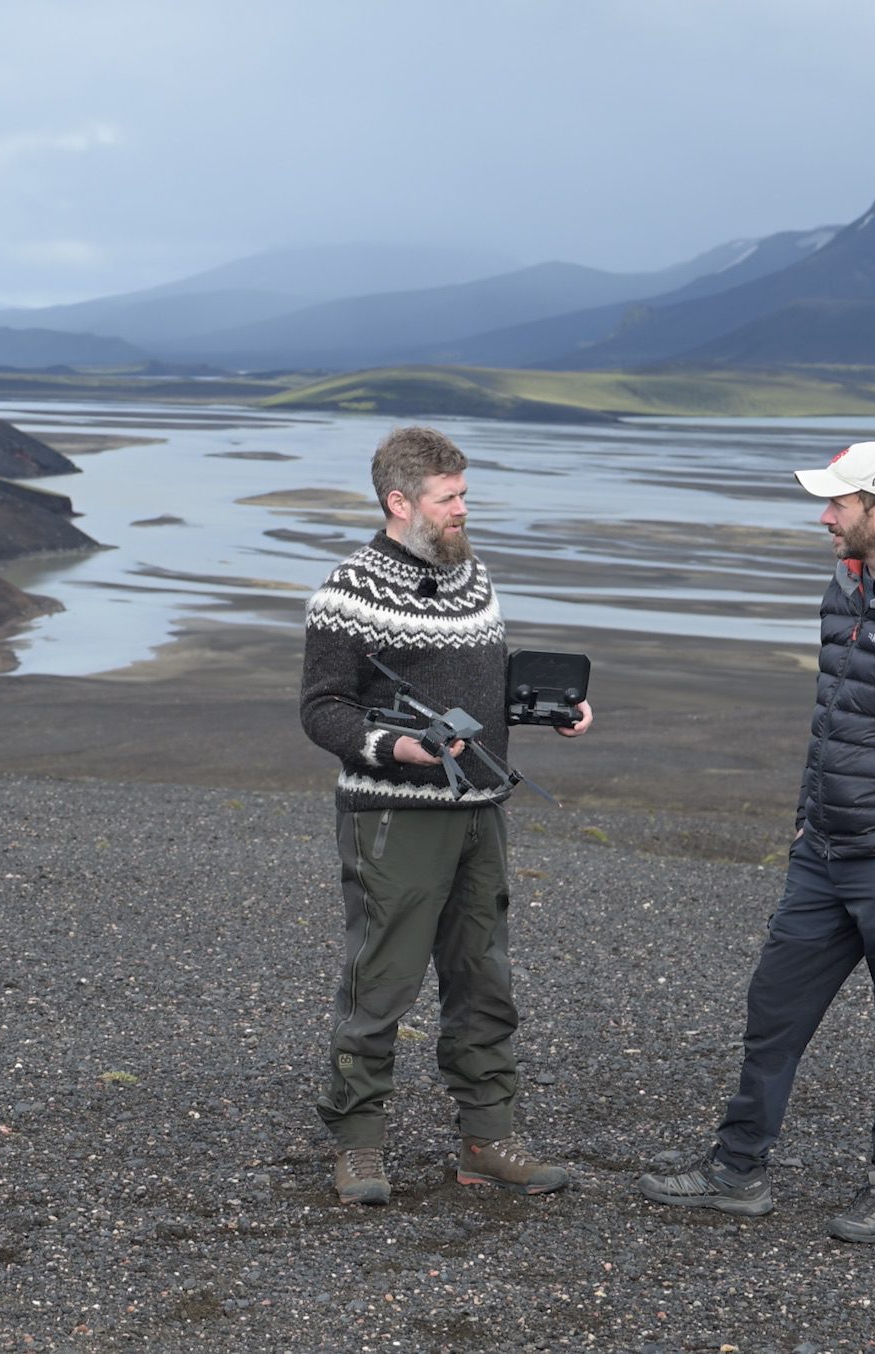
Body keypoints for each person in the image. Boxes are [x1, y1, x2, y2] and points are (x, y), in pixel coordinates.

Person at [640, 439, 875, 1243]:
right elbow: (833, 716)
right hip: (824, 851)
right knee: (773, 1010)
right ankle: (738, 1170)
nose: (824, 517)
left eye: (838, 502)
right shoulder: (848, 585)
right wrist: (807, 817)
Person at [299, 424, 593, 1206]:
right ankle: (357, 1145)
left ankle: (488, 1140)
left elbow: (478, 684)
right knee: (380, 982)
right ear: (401, 503)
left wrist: (546, 709)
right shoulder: (349, 592)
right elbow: (322, 709)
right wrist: (397, 748)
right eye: (448, 498)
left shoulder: (473, 576)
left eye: (464, 494)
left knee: (484, 981)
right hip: (394, 817)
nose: (463, 508)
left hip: (480, 812)